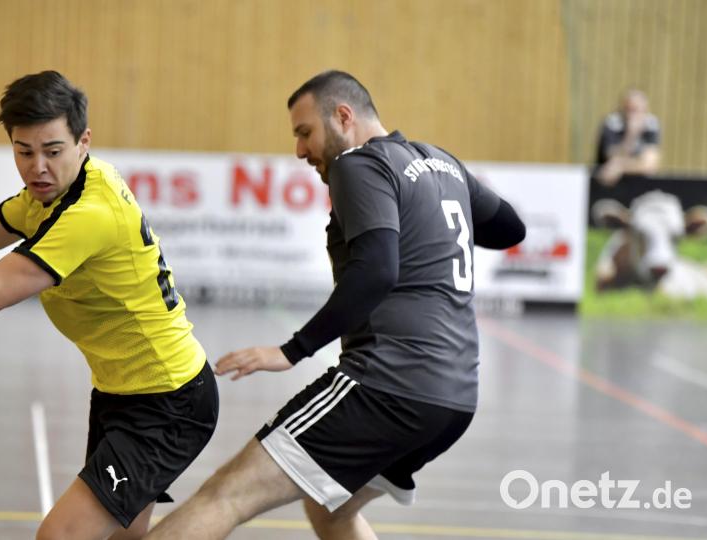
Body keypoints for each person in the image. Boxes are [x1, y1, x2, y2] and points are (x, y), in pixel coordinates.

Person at [144, 70, 525, 540]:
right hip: (453, 399)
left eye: (305, 133)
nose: (300, 151)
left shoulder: (359, 163)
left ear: (343, 116)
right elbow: (511, 229)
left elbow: (377, 270)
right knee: (331, 509)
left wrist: (291, 351)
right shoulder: (440, 163)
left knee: (227, 495)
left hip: (388, 386)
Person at [0, 71, 218, 540]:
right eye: (24, 151)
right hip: (121, 392)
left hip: (168, 400)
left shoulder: (89, 215)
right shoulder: (59, 190)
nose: (37, 167)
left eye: (52, 152)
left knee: (59, 536)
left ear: (83, 141)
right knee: (126, 536)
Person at [593, 88, 661, 187]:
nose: (632, 115)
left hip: (639, 185)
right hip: (608, 185)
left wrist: (620, 166)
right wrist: (630, 135)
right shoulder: (612, 123)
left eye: (637, 110)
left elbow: (649, 164)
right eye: (629, 109)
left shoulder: (651, 125)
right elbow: (611, 157)